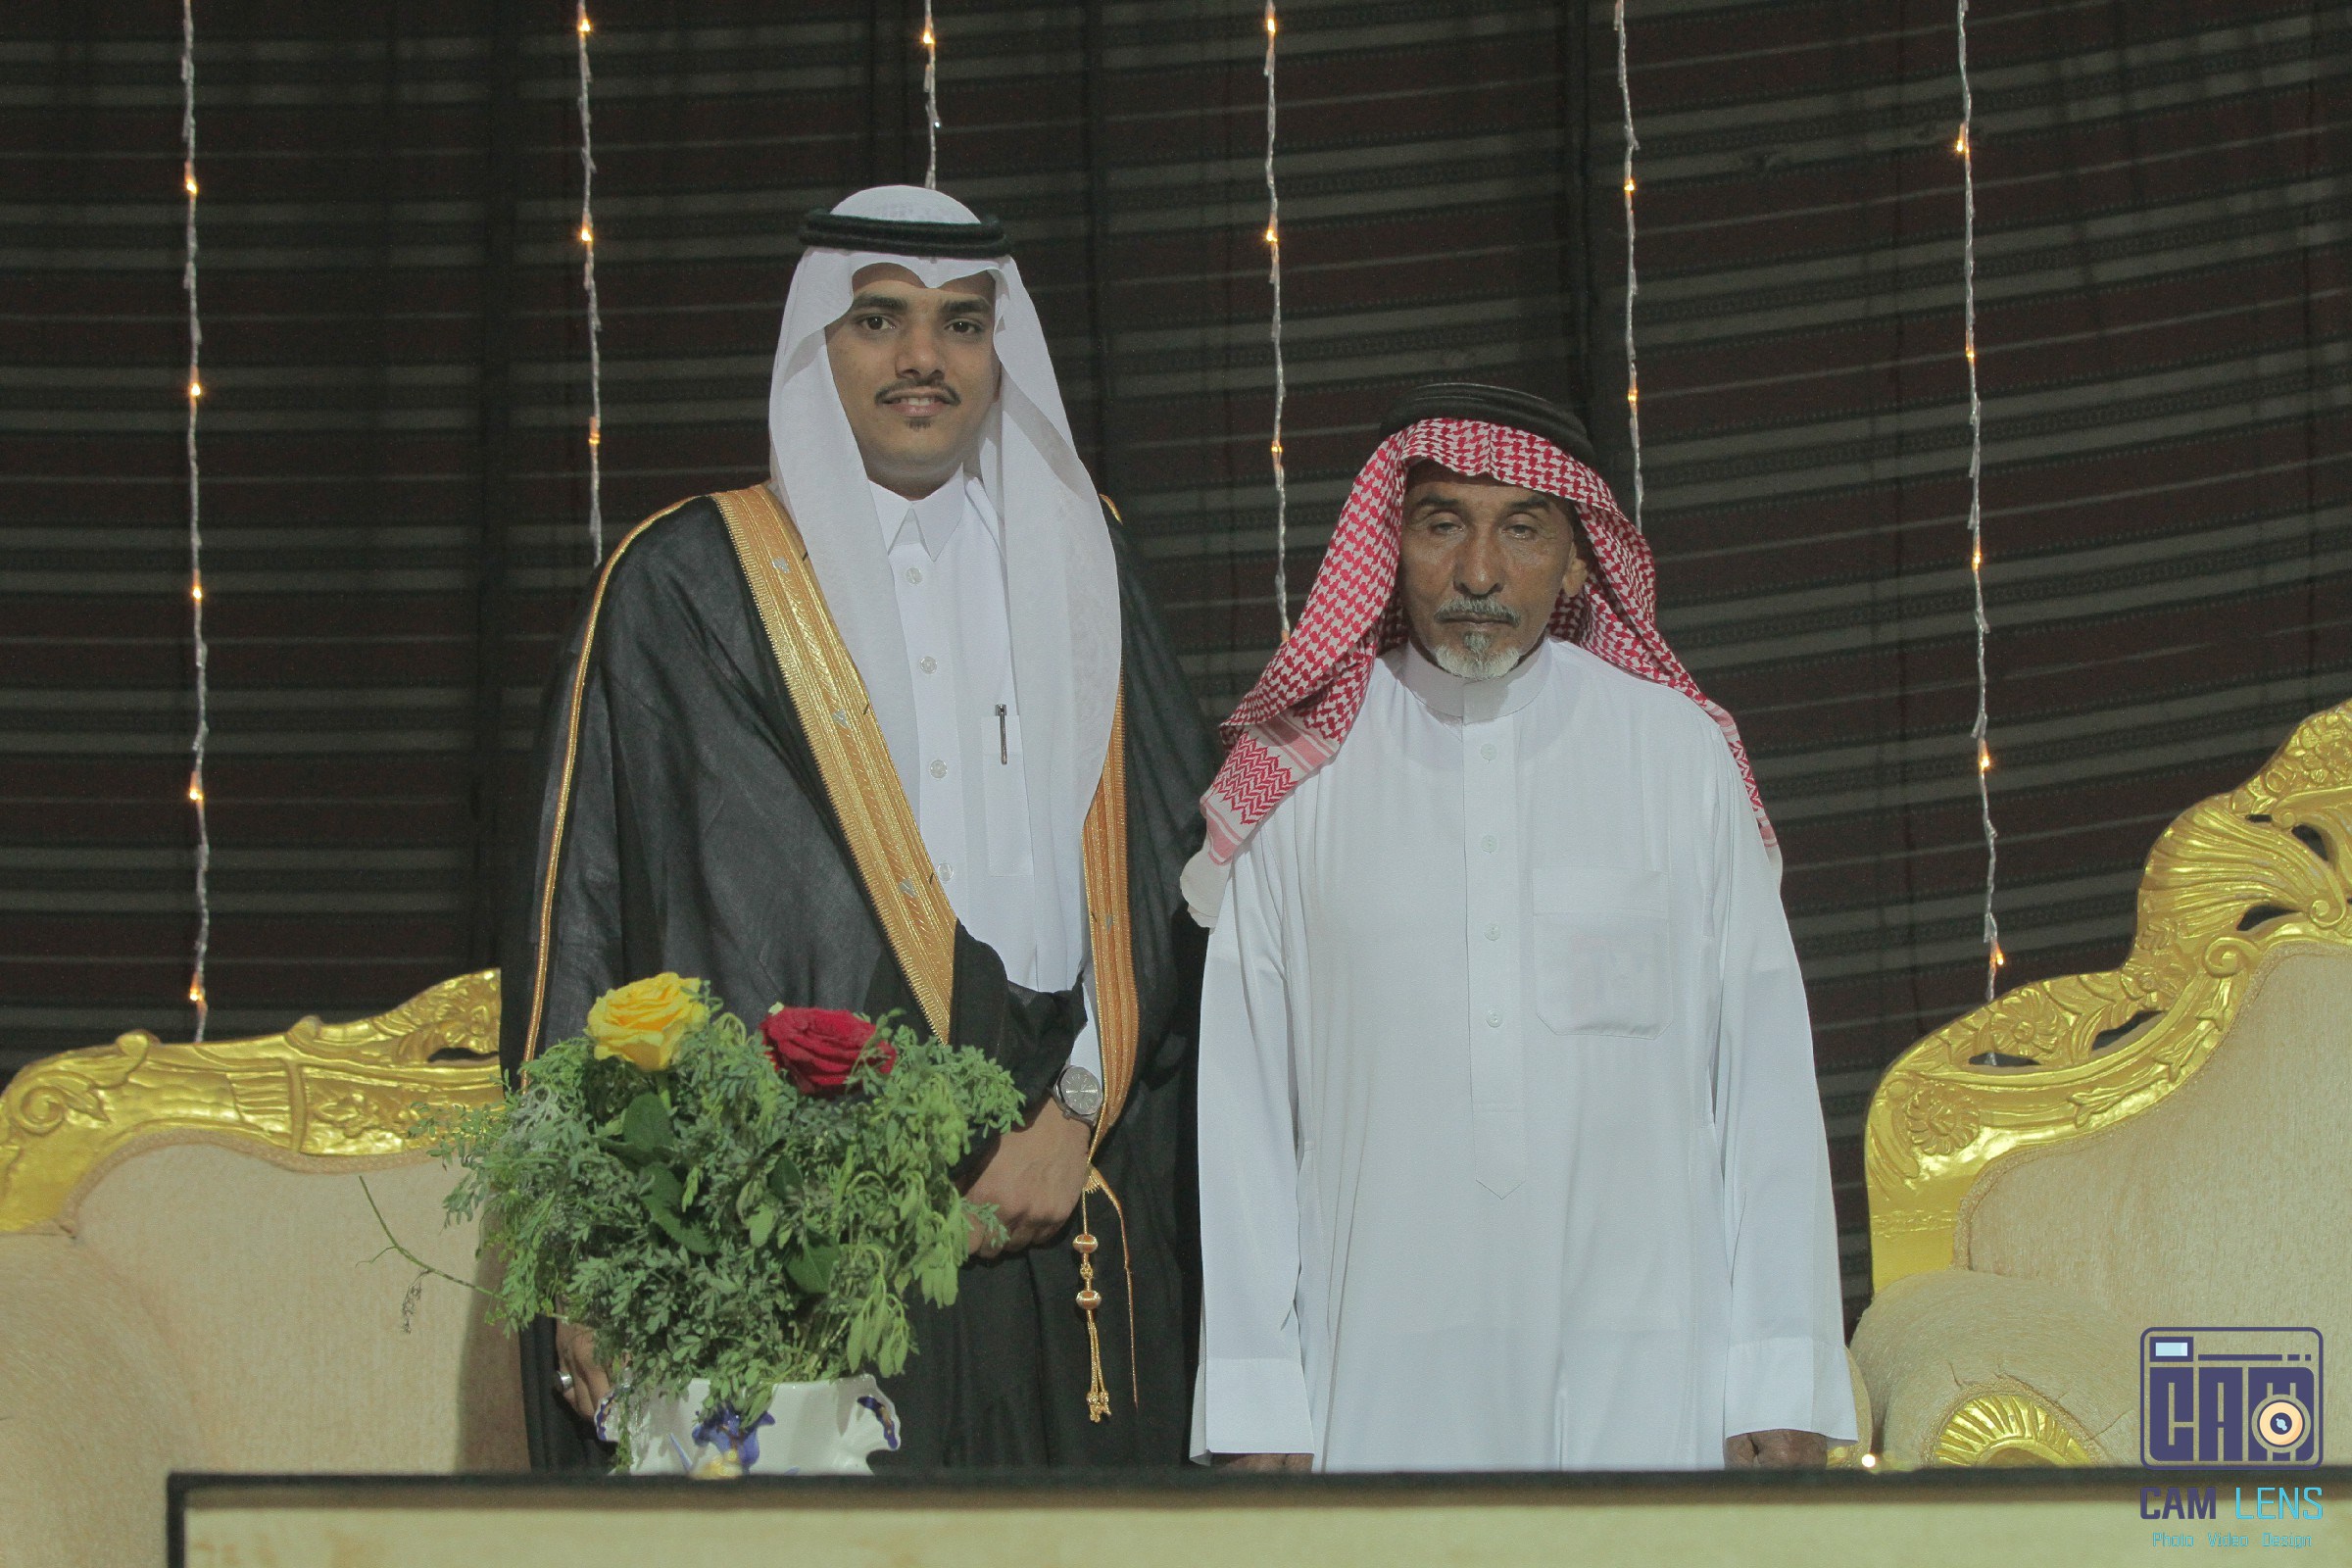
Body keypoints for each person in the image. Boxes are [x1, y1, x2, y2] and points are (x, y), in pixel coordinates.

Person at [500, 185, 1214, 1468]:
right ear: (816, 345)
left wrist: (1073, 1115)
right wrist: (581, 1259)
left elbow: (1172, 871)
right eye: (879, 319)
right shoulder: (691, 586)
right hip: (795, 1236)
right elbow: (589, 918)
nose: (922, 358)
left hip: (1052, 1201)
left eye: (962, 324)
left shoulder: (1086, 562)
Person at [1186, 383, 1854, 1472]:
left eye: (1524, 530)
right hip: (1376, 1368)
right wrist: (1256, 1405)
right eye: (1442, 524)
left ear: (1581, 559)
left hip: (1650, 1362)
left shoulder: (1675, 755)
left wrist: (1781, 1372)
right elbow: (1245, 1113)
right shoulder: (1304, 778)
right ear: (1390, 545)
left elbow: (1764, 1085)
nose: (1480, 573)